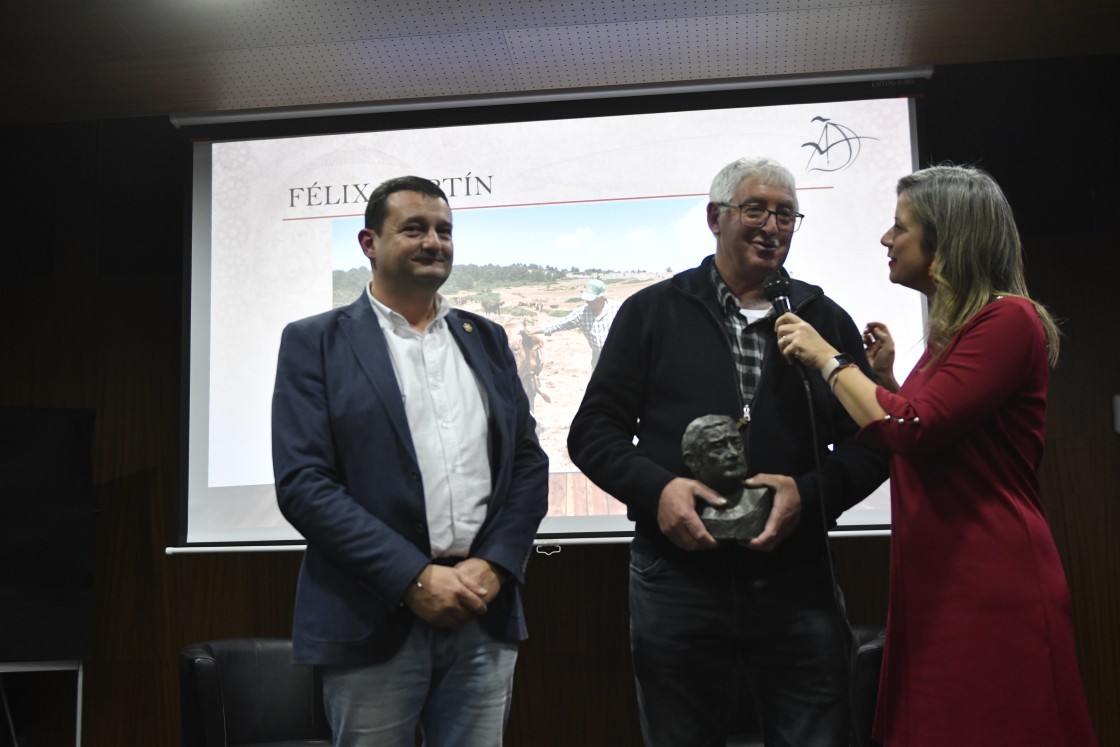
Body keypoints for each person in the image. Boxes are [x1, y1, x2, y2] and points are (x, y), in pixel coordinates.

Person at [567, 156, 889, 746]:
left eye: (786, 215)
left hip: (798, 578)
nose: (772, 226)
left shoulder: (822, 318)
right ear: (716, 218)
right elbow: (593, 432)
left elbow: (873, 444)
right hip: (676, 579)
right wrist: (658, 490)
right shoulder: (652, 312)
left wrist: (809, 494)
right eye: (755, 210)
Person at [775, 165, 1098, 746]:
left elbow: (914, 430)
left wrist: (827, 358)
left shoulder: (1008, 319)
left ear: (947, 240)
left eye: (900, 227)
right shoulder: (960, 332)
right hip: (943, 577)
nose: (886, 239)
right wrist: (887, 382)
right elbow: (946, 437)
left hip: (987, 579)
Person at [271, 176, 549, 746]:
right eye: (414, 228)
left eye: (444, 230)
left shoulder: (486, 339)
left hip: (482, 611)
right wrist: (412, 578)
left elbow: (527, 464)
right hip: (370, 617)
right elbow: (305, 484)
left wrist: (496, 565)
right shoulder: (315, 342)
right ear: (369, 243)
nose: (433, 242)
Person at [533, 278, 619, 368]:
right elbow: (562, 323)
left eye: (591, 299)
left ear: (602, 297)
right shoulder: (582, 312)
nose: (587, 301)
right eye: (586, 298)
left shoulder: (618, 309)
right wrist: (535, 330)